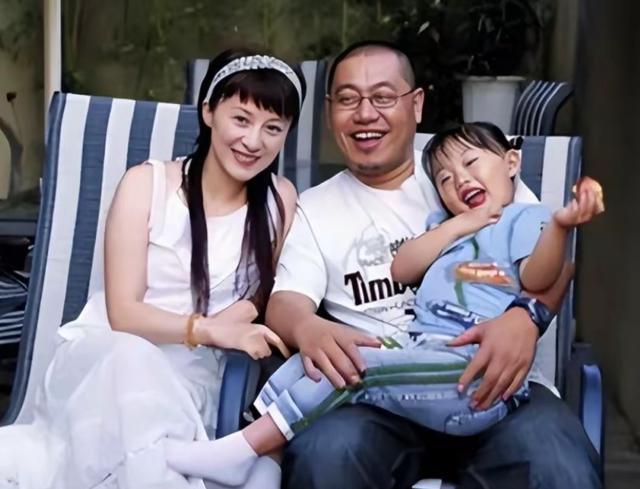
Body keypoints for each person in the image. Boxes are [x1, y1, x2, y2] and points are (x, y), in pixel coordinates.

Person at [265, 41, 603, 489]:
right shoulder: (316, 208)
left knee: (559, 466)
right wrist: (308, 327)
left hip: (498, 382)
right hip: (382, 399)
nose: (365, 113)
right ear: (329, 113)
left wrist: (526, 318)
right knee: (326, 457)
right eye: (348, 99)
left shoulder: (467, 163)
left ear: (417, 103)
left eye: (383, 96)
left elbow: (553, 259)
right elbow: (285, 303)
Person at [186, 121, 603, 462]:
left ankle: (240, 451)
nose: (460, 179)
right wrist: (460, 224)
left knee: (354, 369)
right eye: (446, 179)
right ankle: (257, 453)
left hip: (478, 371)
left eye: (383, 96)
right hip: (420, 353)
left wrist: (557, 233)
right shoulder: (450, 217)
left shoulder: (521, 211)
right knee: (321, 371)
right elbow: (402, 267)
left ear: (415, 103)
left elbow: (544, 273)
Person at [0, 49, 305, 489]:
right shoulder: (147, 184)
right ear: (209, 112)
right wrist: (212, 329)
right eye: (241, 119)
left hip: (192, 377)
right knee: (131, 362)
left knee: (143, 434)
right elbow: (123, 314)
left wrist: (238, 317)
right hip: (106, 358)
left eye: (272, 127)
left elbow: (264, 295)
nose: (254, 141)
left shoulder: (280, 200)